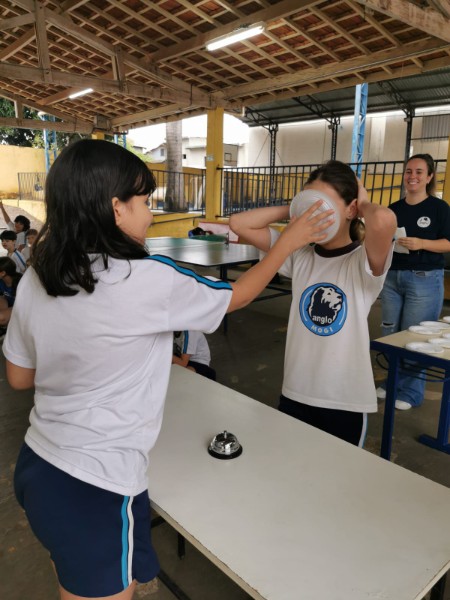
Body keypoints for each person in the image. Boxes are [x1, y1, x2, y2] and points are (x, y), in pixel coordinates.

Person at [3, 138, 334, 600]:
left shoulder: (39, 275)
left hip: (39, 464)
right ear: (115, 208)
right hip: (95, 485)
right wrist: (290, 242)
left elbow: (19, 377)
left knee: (99, 572)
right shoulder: (144, 278)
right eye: (144, 202)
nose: (150, 214)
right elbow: (236, 296)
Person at [230, 160, 396, 447]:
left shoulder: (362, 262)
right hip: (296, 391)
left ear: (351, 210)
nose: (314, 212)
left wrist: (364, 203)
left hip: (344, 401)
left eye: (323, 204)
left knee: (337, 474)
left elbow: (382, 220)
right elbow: (239, 224)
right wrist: (298, 209)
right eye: (310, 203)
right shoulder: (300, 255)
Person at [377, 153, 450, 410]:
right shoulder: (394, 209)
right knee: (390, 333)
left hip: (424, 279)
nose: (412, 176)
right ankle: (392, 382)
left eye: (419, 172)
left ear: (429, 177)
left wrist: (422, 243)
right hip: (392, 277)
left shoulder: (439, 208)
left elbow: (448, 243)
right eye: (409, 171)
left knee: (414, 334)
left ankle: (411, 392)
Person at [0, 256, 22, 334]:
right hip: (8, 302)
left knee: (1, 317)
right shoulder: (1, 281)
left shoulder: (20, 282)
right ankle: (6, 325)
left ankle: (9, 326)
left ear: (3, 273)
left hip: (21, 307)